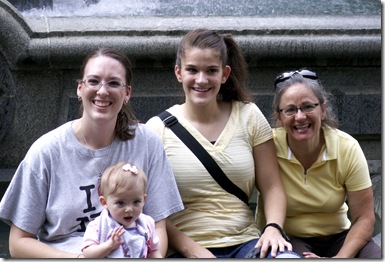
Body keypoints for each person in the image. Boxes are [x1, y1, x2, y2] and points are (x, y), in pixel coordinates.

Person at [0, 47, 184, 258]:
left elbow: (157, 227)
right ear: (80, 89)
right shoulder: (46, 152)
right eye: (93, 81)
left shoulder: (147, 143)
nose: (103, 91)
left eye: (114, 83)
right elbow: (18, 242)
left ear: (127, 93)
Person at [146, 28, 296, 258]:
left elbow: (272, 186)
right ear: (178, 72)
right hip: (185, 251)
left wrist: (273, 229)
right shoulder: (157, 130)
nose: (201, 79)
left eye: (211, 71)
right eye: (192, 70)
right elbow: (152, 209)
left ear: (224, 74)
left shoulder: (249, 116)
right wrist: (193, 250)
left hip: (247, 244)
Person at [256, 68, 381, 258]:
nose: (300, 117)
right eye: (290, 110)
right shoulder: (266, 146)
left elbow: (364, 217)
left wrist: (340, 258)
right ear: (279, 118)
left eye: (308, 107)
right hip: (289, 237)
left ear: (322, 109)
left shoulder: (346, 148)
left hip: (339, 237)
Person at [81, 162, 161, 258]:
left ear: (144, 200)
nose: (129, 209)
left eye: (136, 202)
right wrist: (109, 245)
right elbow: (88, 254)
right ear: (104, 202)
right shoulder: (98, 226)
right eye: (120, 203)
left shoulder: (147, 224)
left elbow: (154, 251)